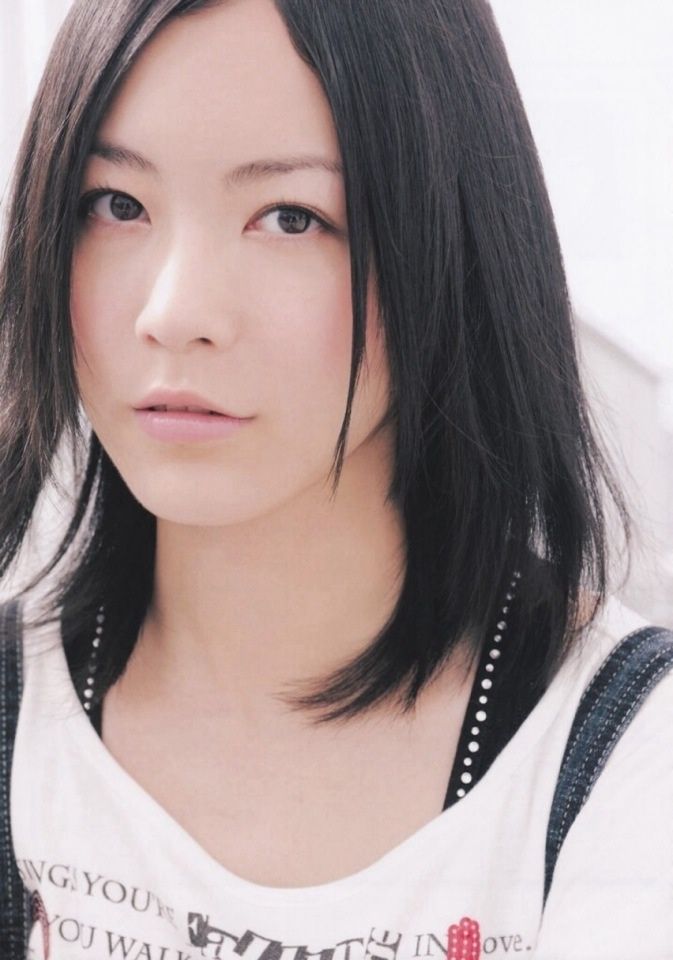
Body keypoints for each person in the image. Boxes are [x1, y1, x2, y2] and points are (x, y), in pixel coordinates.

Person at [0, 0, 671, 957]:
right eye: (116, 204)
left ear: (453, 244)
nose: (175, 312)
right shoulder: (21, 720)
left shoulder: (625, 763)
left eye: (290, 217)